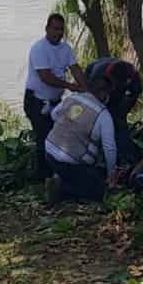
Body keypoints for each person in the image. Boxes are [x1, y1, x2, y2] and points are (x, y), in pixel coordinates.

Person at [24, 14, 86, 180]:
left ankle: (53, 173)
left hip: (54, 102)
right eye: (55, 28)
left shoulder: (65, 49)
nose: (58, 32)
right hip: (36, 101)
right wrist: (72, 87)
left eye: (61, 29)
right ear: (47, 29)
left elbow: (75, 68)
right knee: (44, 137)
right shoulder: (39, 48)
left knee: (56, 136)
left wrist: (86, 89)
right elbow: (46, 77)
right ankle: (43, 177)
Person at [45, 74, 117, 203]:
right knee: (100, 190)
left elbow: (54, 114)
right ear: (104, 94)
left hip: (49, 152)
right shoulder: (103, 114)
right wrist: (111, 175)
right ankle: (61, 189)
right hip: (71, 162)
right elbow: (109, 148)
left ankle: (59, 177)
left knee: (77, 173)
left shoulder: (73, 97)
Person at [85, 56, 143, 164]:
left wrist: (122, 111)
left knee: (119, 123)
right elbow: (90, 97)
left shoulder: (134, 76)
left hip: (118, 99)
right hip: (96, 86)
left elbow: (134, 94)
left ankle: (126, 158)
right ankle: (96, 153)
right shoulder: (97, 74)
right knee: (98, 122)